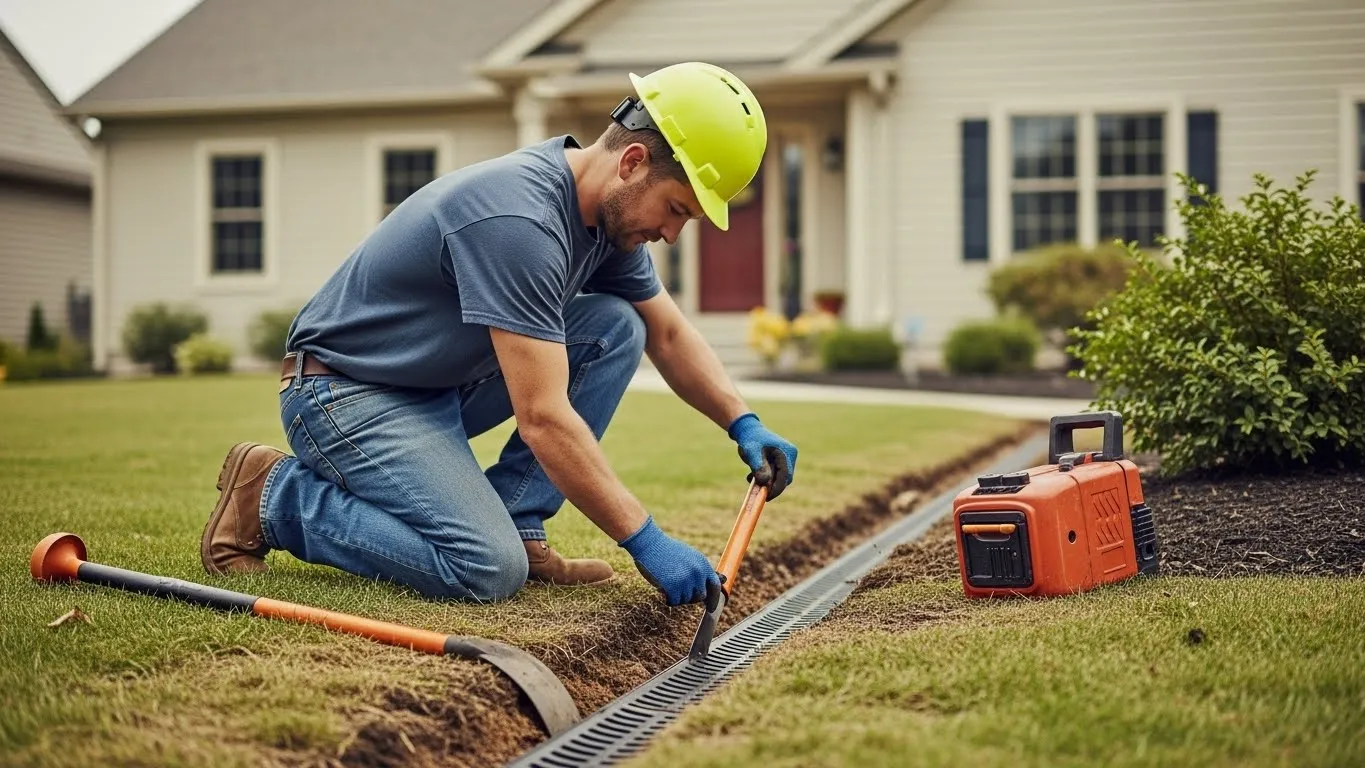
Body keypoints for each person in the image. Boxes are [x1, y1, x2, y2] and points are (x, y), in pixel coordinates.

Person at [198, 62, 798, 607]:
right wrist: (645, 539)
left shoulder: (604, 222)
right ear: (634, 162)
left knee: (617, 325)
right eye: (677, 210)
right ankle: (275, 499)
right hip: (344, 394)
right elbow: (542, 417)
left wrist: (741, 421)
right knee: (483, 568)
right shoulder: (520, 221)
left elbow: (665, 333)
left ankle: (519, 521)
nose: (672, 234)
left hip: (430, 387)